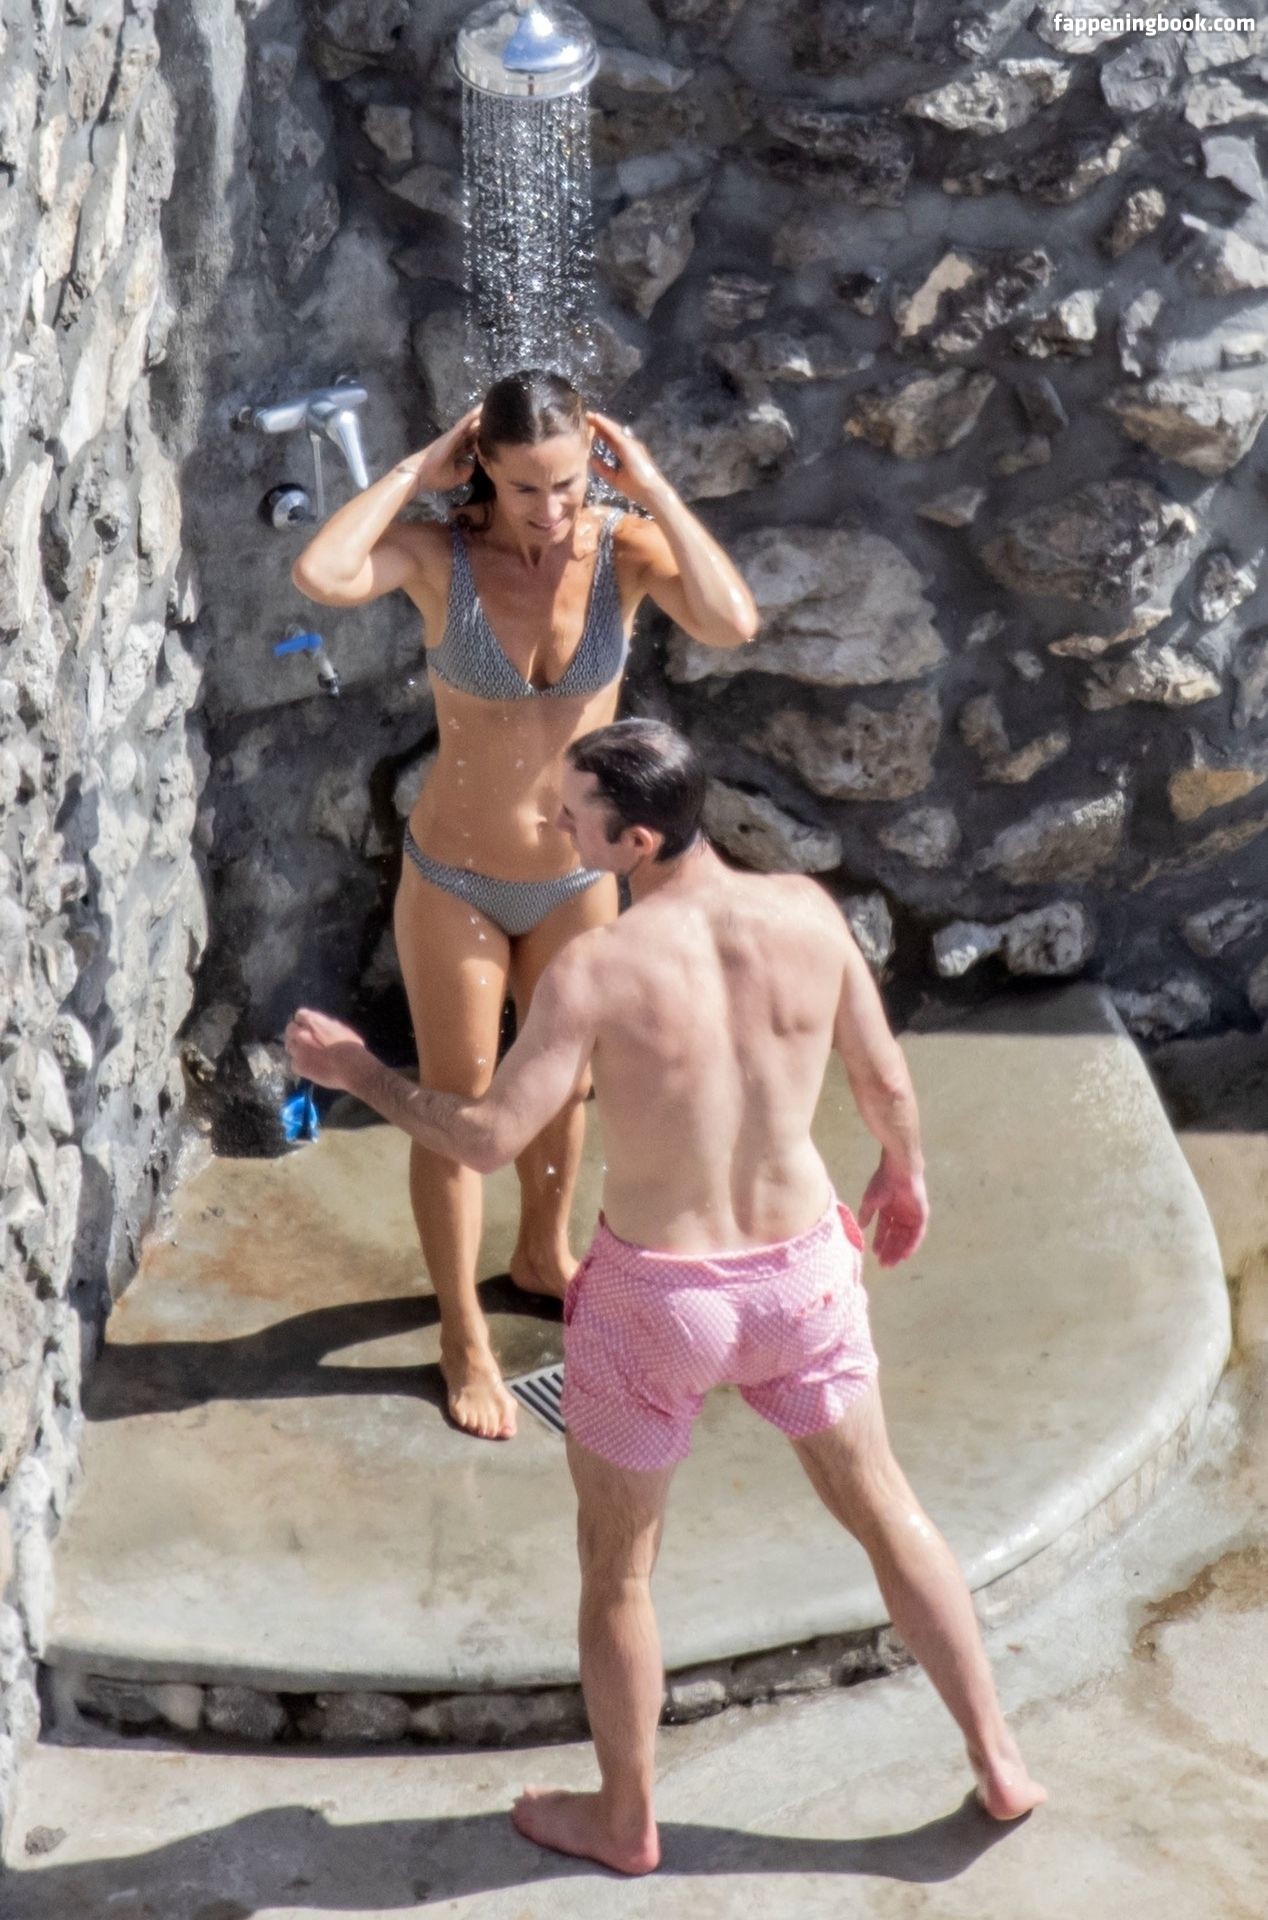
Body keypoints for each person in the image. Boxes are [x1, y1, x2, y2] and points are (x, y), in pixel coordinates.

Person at [284, 718, 1047, 1876]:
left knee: (619, 1570)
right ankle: (997, 1760)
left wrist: (357, 1072)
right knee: (886, 1510)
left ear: (634, 841)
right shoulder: (805, 912)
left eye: (572, 816)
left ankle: (625, 1819)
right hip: (800, 1273)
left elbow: (486, 1139)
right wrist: (903, 1173)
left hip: (658, 1302)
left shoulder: (598, 968)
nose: (551, 824)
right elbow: (883, 1078)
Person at [292, 372, 757, 1441]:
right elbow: (322, 573)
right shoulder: (440, 555)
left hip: (575, 879)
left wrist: (652, 487)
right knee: (457, 1103)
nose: (550, 510)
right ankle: (463, 1335)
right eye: (525, 488)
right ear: (483, 473)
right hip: (456, 876)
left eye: (568, 484)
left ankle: (543, 1254)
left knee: (566, 1086)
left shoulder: (623, 550)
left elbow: (732, 622)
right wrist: (415, 470)